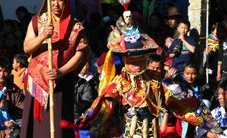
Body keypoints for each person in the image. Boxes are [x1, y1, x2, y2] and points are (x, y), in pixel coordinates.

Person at [76, 7, 166, 137]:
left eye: (141, 60)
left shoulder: (155, 80)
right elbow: (101, 110)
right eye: (133, 61)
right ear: (124, 59)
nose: (138, 65)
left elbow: (186, 104)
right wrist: (85, 125)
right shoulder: (119, 84)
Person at [20, 0, 89, 137]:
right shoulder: (38, 21)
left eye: (60, 1)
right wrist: (43, 36)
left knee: (58, 128)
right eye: (52, 0)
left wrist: (60, 72)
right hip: (37, 84)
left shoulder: (76, 26)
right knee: (35, 128)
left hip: (61, 82)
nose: (55, 4)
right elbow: (27, 47)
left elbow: (80, 54)